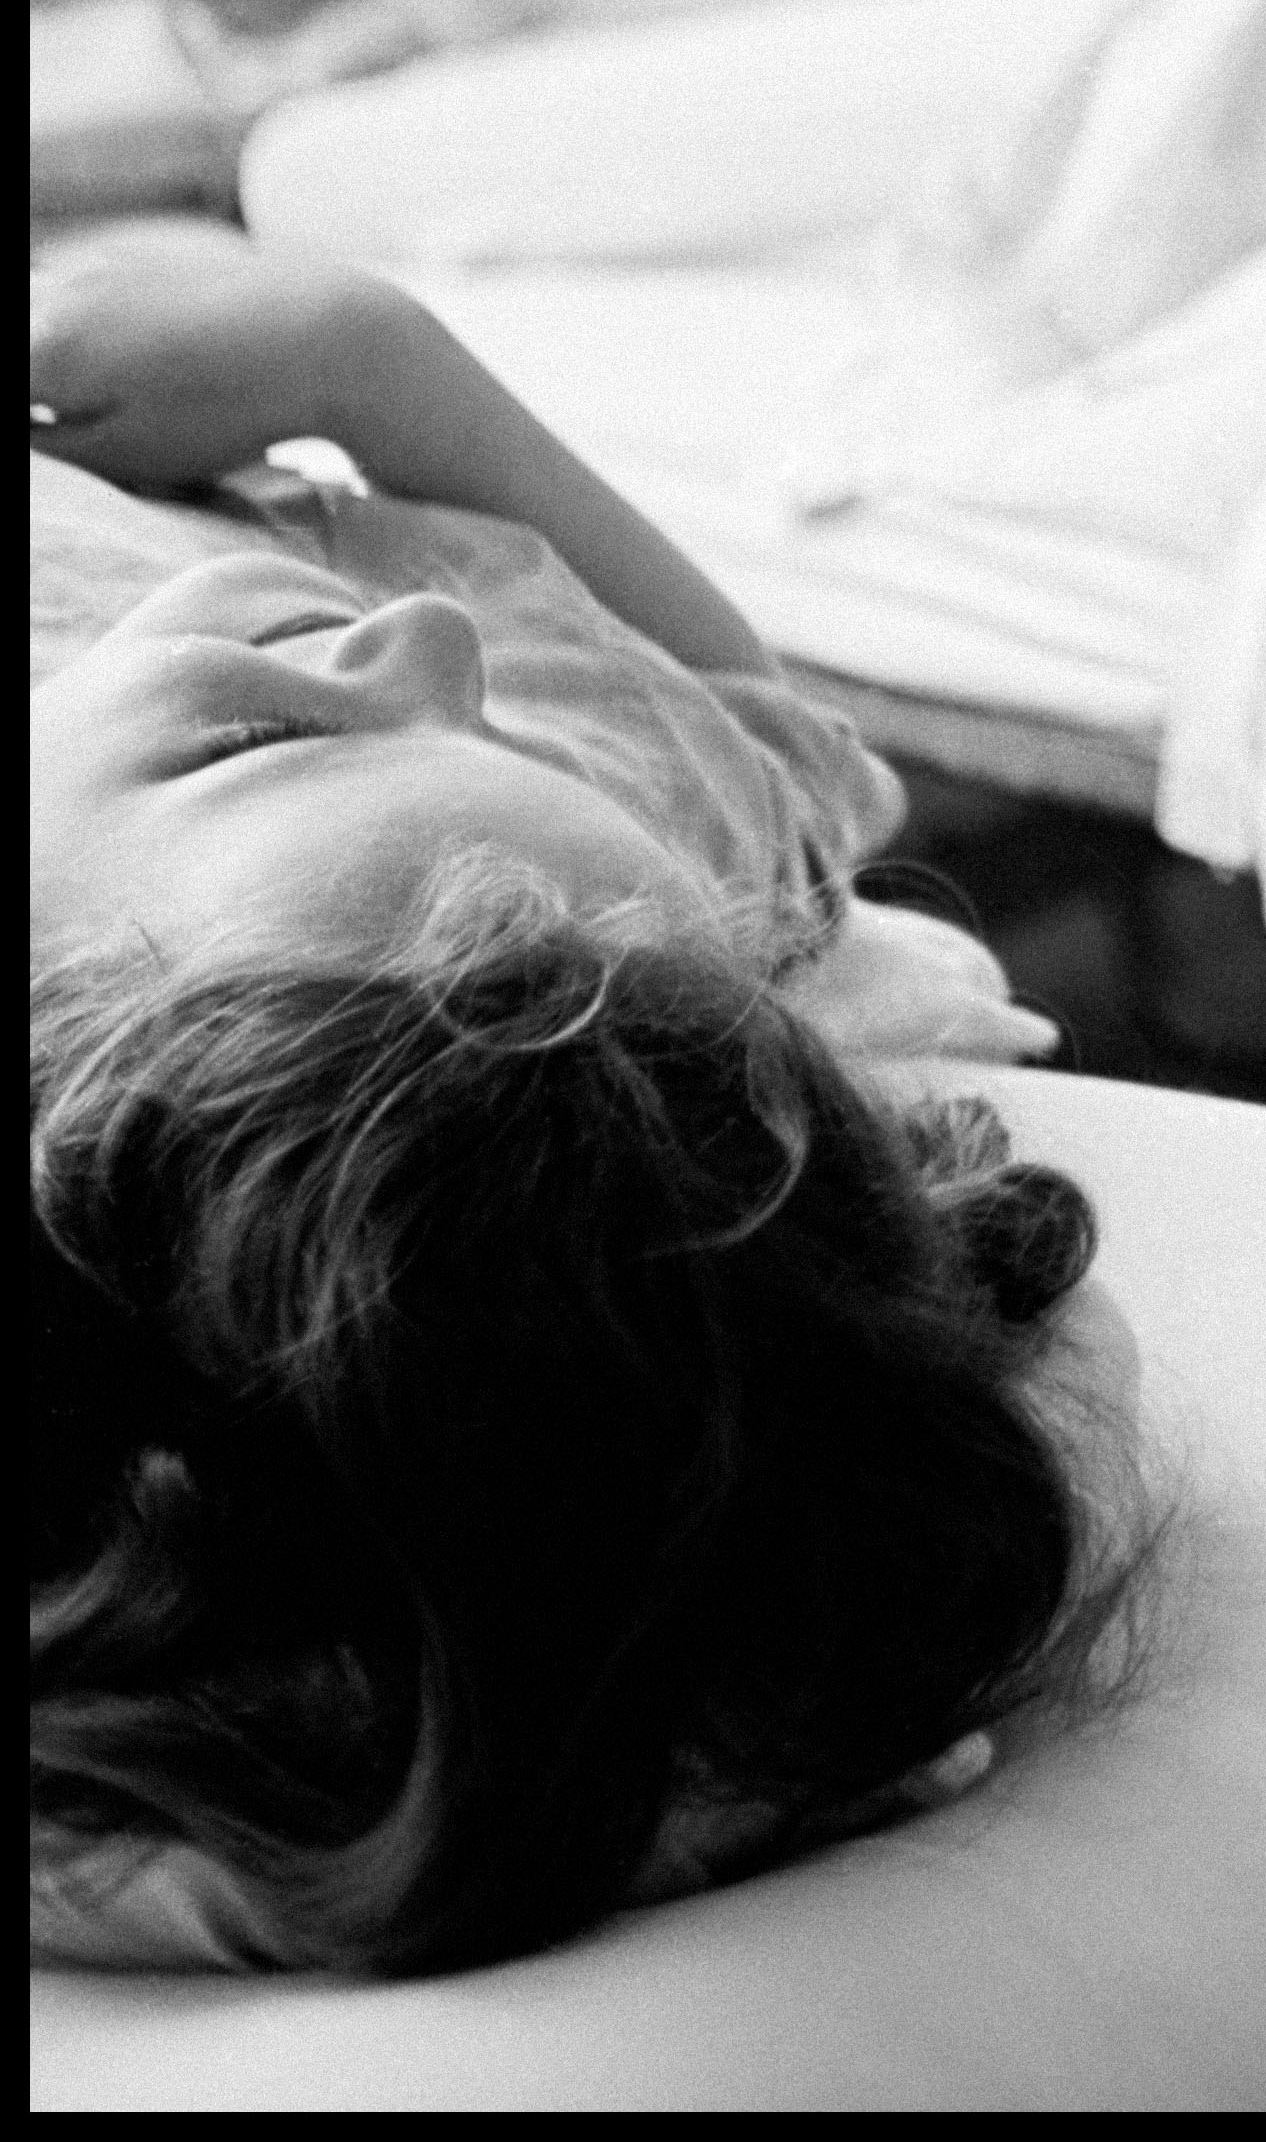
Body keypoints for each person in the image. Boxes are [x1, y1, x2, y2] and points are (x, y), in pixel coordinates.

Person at [28, 225, 1136, 1977]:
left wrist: (436, 1824)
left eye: (256, 742)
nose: (418, 638)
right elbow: (769, 746)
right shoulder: (622, 895)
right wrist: (367, 358)